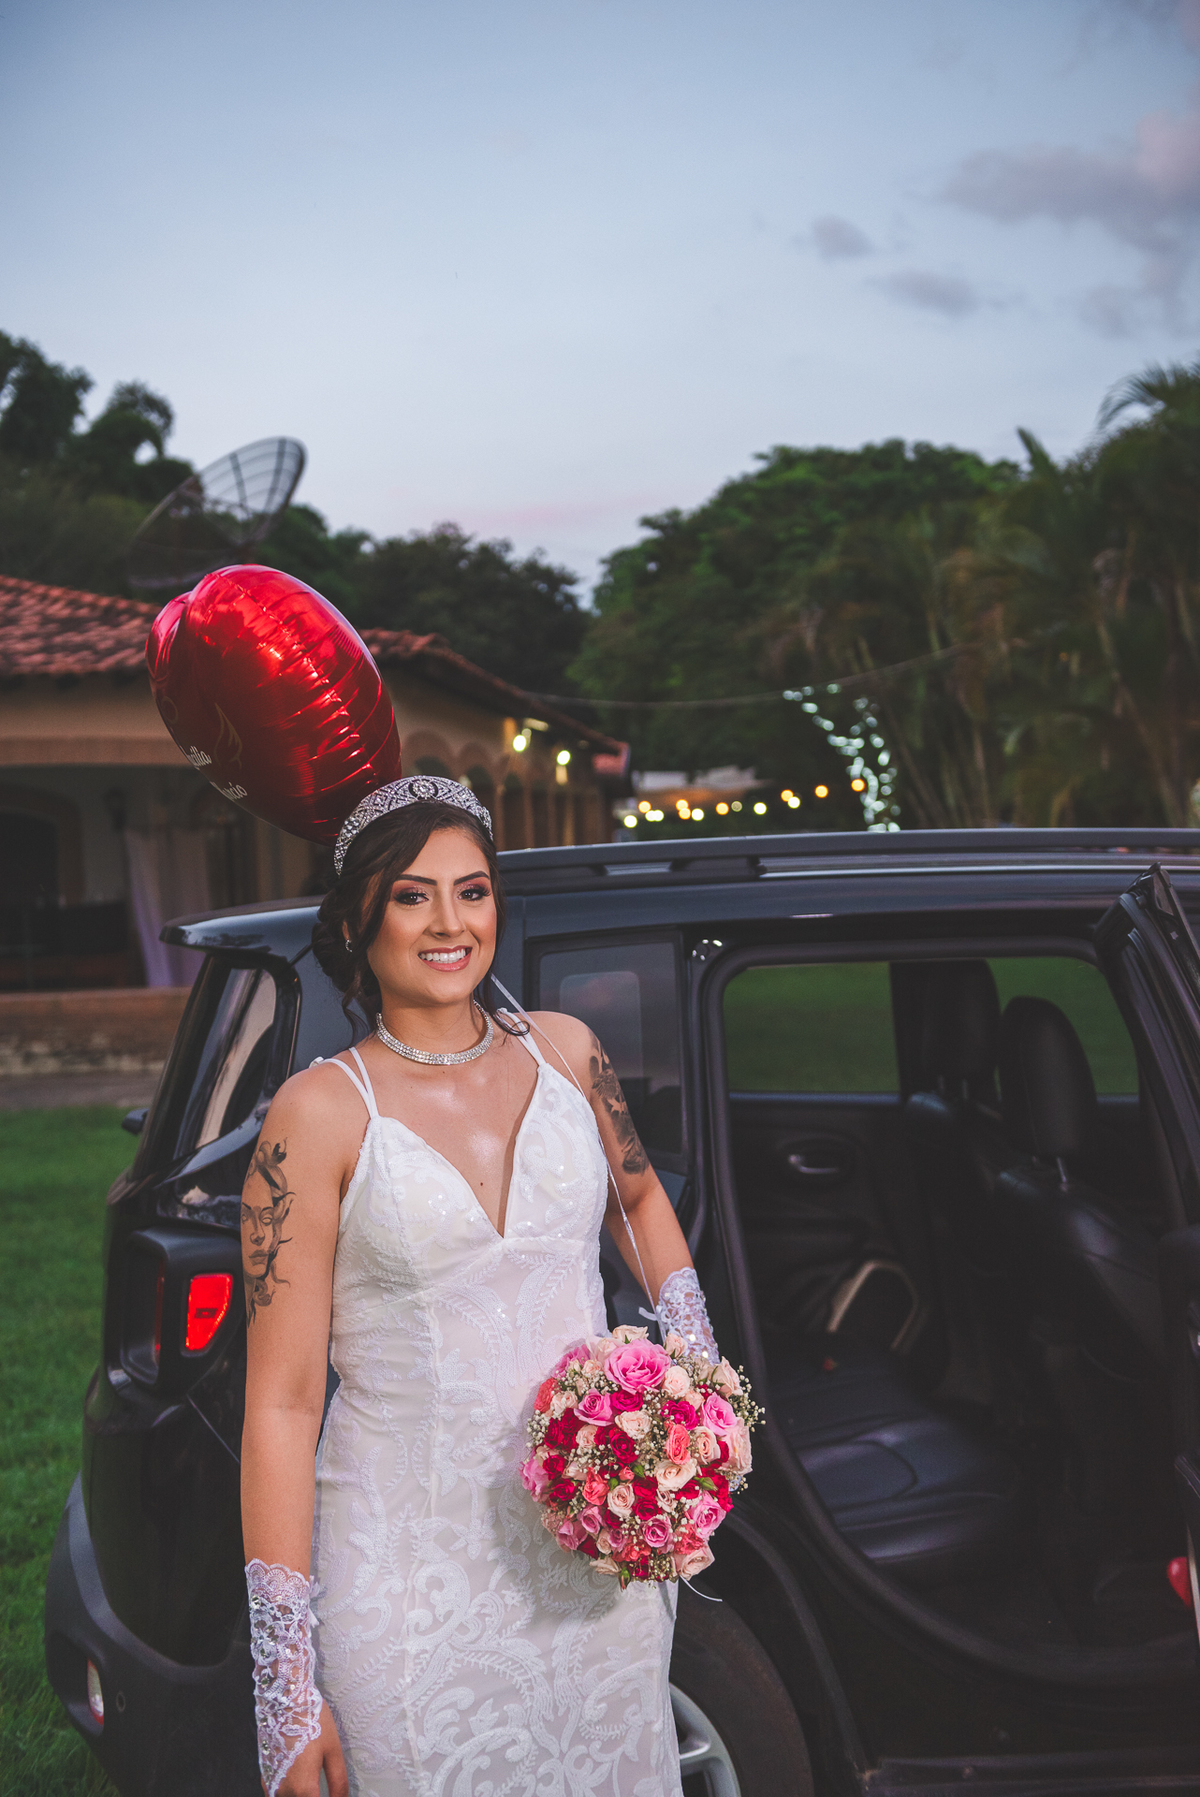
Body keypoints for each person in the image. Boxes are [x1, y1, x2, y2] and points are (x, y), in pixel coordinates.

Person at [239, 775, 721, 1797]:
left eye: (472, 891)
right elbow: (282, 1404)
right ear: (356, 921)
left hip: (595, 1565)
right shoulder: (317, 1114)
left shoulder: (569, 1052)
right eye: (411, 896)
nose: (449, 923)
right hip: (409, 1582)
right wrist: (286, 1689)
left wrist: (696, 1383)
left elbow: (638, 1201)